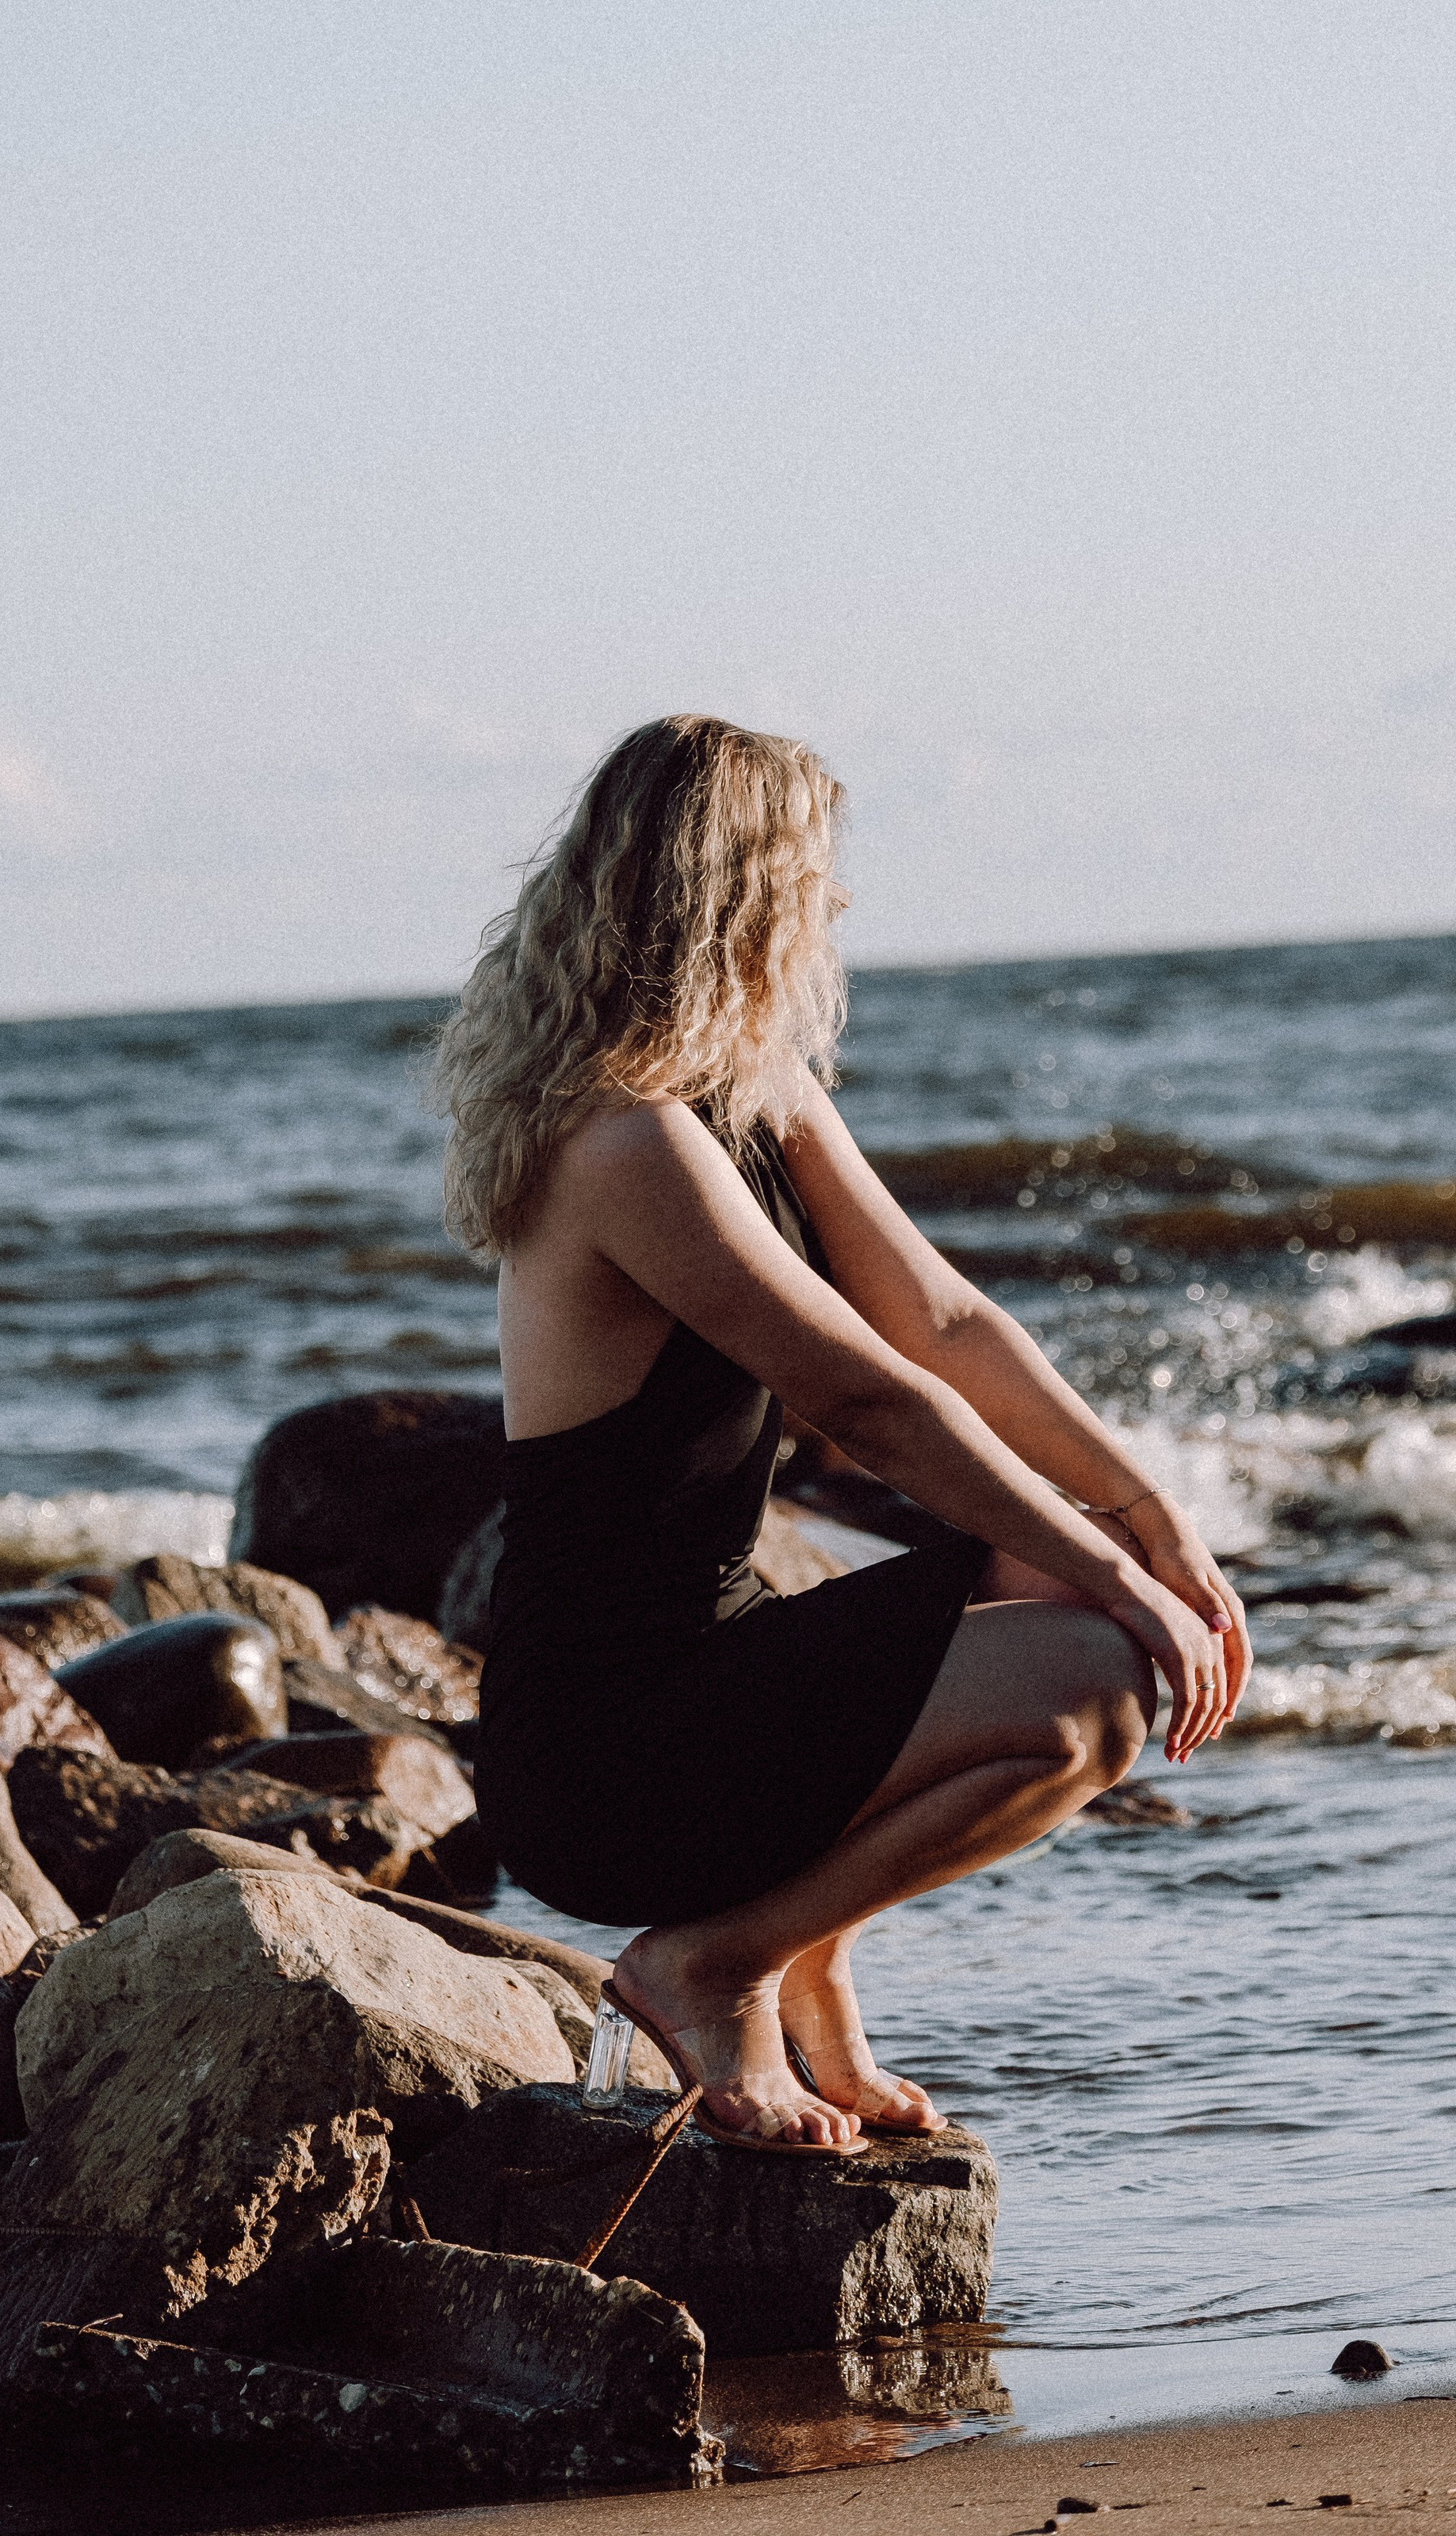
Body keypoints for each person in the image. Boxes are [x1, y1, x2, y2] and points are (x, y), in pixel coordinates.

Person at [435, 715, 1251, 2152]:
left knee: (1065, 1591)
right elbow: (875, 1400)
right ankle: (714, 1963)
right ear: (740, 888)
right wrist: (1125, 1586)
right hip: (605, 1742)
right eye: (815, 873)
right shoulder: (623, 1143)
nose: (840, 906)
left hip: (715, 1662)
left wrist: (1146, 1517)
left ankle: (810, 1969)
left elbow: (941, 1322)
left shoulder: (748, 1087)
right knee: (1099, 1684)